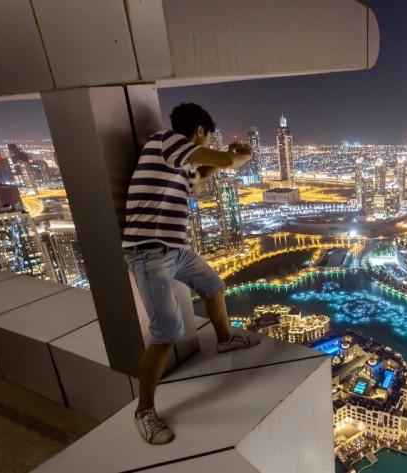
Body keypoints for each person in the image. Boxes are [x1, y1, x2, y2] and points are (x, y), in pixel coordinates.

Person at [122, 103, 259, 445]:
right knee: (166, 333)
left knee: (214, 286)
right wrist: (241, 156)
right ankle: (145, 412)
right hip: (149, 251)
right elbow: (224, 162)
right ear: (199, 131)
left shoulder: (178, 164)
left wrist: (222, 158)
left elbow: (202, 174)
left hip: (175, 249)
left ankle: (225, 340)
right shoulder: (164, 142)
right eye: (207, 136)